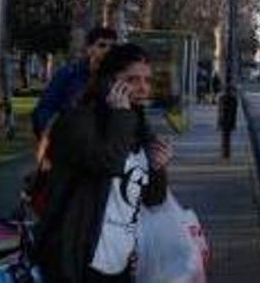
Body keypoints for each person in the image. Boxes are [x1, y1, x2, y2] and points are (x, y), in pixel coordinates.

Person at [34, 43, 174, 282]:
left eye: (147, 81)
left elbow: (152, 198)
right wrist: (121, 117)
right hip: (79, 261)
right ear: (109, 81)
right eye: (132, 80)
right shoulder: (78, 122)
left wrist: (158, 167)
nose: (143, 88)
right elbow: (108, 163)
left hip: (119, 262)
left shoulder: (136, 127)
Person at [31, 27, 118, 137]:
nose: (107, 50)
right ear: (89, 48)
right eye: (102, 45)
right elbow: (46, 108)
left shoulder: (119, 77)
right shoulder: (68, 74)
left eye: (112, 47)